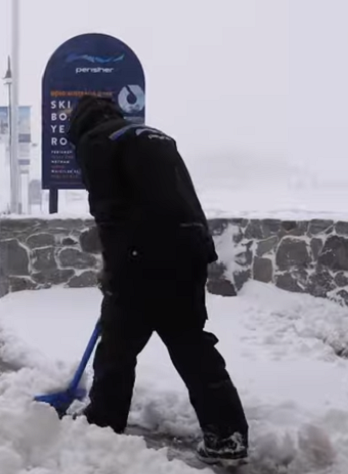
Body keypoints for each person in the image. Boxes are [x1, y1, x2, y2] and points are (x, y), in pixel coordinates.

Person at [66, 94, 249, 466]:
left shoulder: (96, 142)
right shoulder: (154, 136)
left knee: (117, 344)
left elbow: (110, 214)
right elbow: (180, 198)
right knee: (189, 344)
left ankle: (103, 422)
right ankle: (227, 434)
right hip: (191, 250)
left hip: (143, 256)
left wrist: (115, 269)